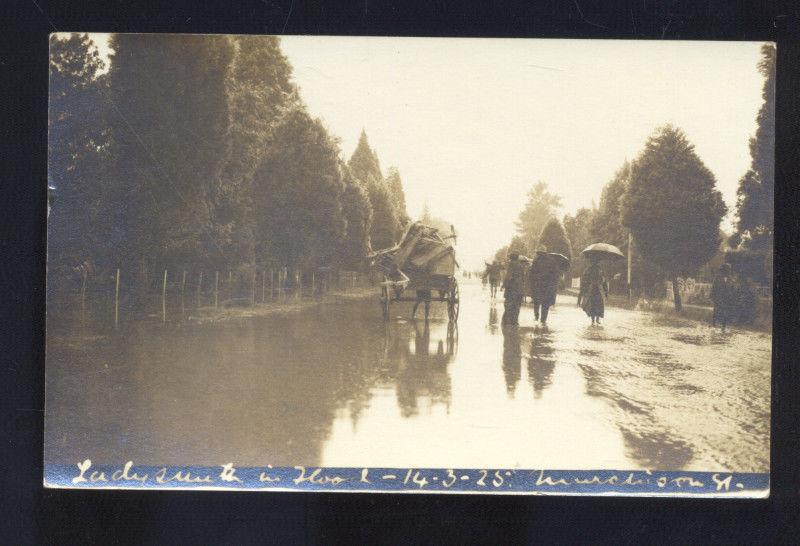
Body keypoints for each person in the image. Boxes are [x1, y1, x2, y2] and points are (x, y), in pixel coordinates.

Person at [529, 247, 560, 324]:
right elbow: (556, 275)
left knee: (536, 302)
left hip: (537, 286)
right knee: (545, 304)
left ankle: (536, 317)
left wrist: (532, 285)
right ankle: (543, 320)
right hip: (548, 287)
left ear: (539, 253)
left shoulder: (536, 261)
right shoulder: (552, 261)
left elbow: (531, 274)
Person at [578, 259, 608, 325]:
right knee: (594, 305)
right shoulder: (589, 270)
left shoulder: (599, 270)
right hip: (593, 290)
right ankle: (594, 320)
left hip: (597, 290)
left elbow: (604, 281)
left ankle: (595, 320)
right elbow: (585, 279)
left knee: (597, 304)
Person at [501, 252, 526, 326]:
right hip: (519, 289)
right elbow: (523, 278)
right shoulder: (521, 265)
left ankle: (506, 321)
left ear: (511, 258)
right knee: (517, 306)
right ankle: (515, 321)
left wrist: (504, 285)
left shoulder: (511, 264)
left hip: (512, 289)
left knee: (508, 305)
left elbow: (509, 276)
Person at [711, 263, 736, 331]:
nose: (728, 272)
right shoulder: (717, 278)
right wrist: (712, 297)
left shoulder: (731, 279)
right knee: (716, 310)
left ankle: (723, 325)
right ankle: (713, 323)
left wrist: (732, 297)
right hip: (718, 297)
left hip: (727, 298)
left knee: (725, 312)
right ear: (723, 270)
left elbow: (733, 289)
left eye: (728, 270)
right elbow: (714, 287)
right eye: (726, 270)